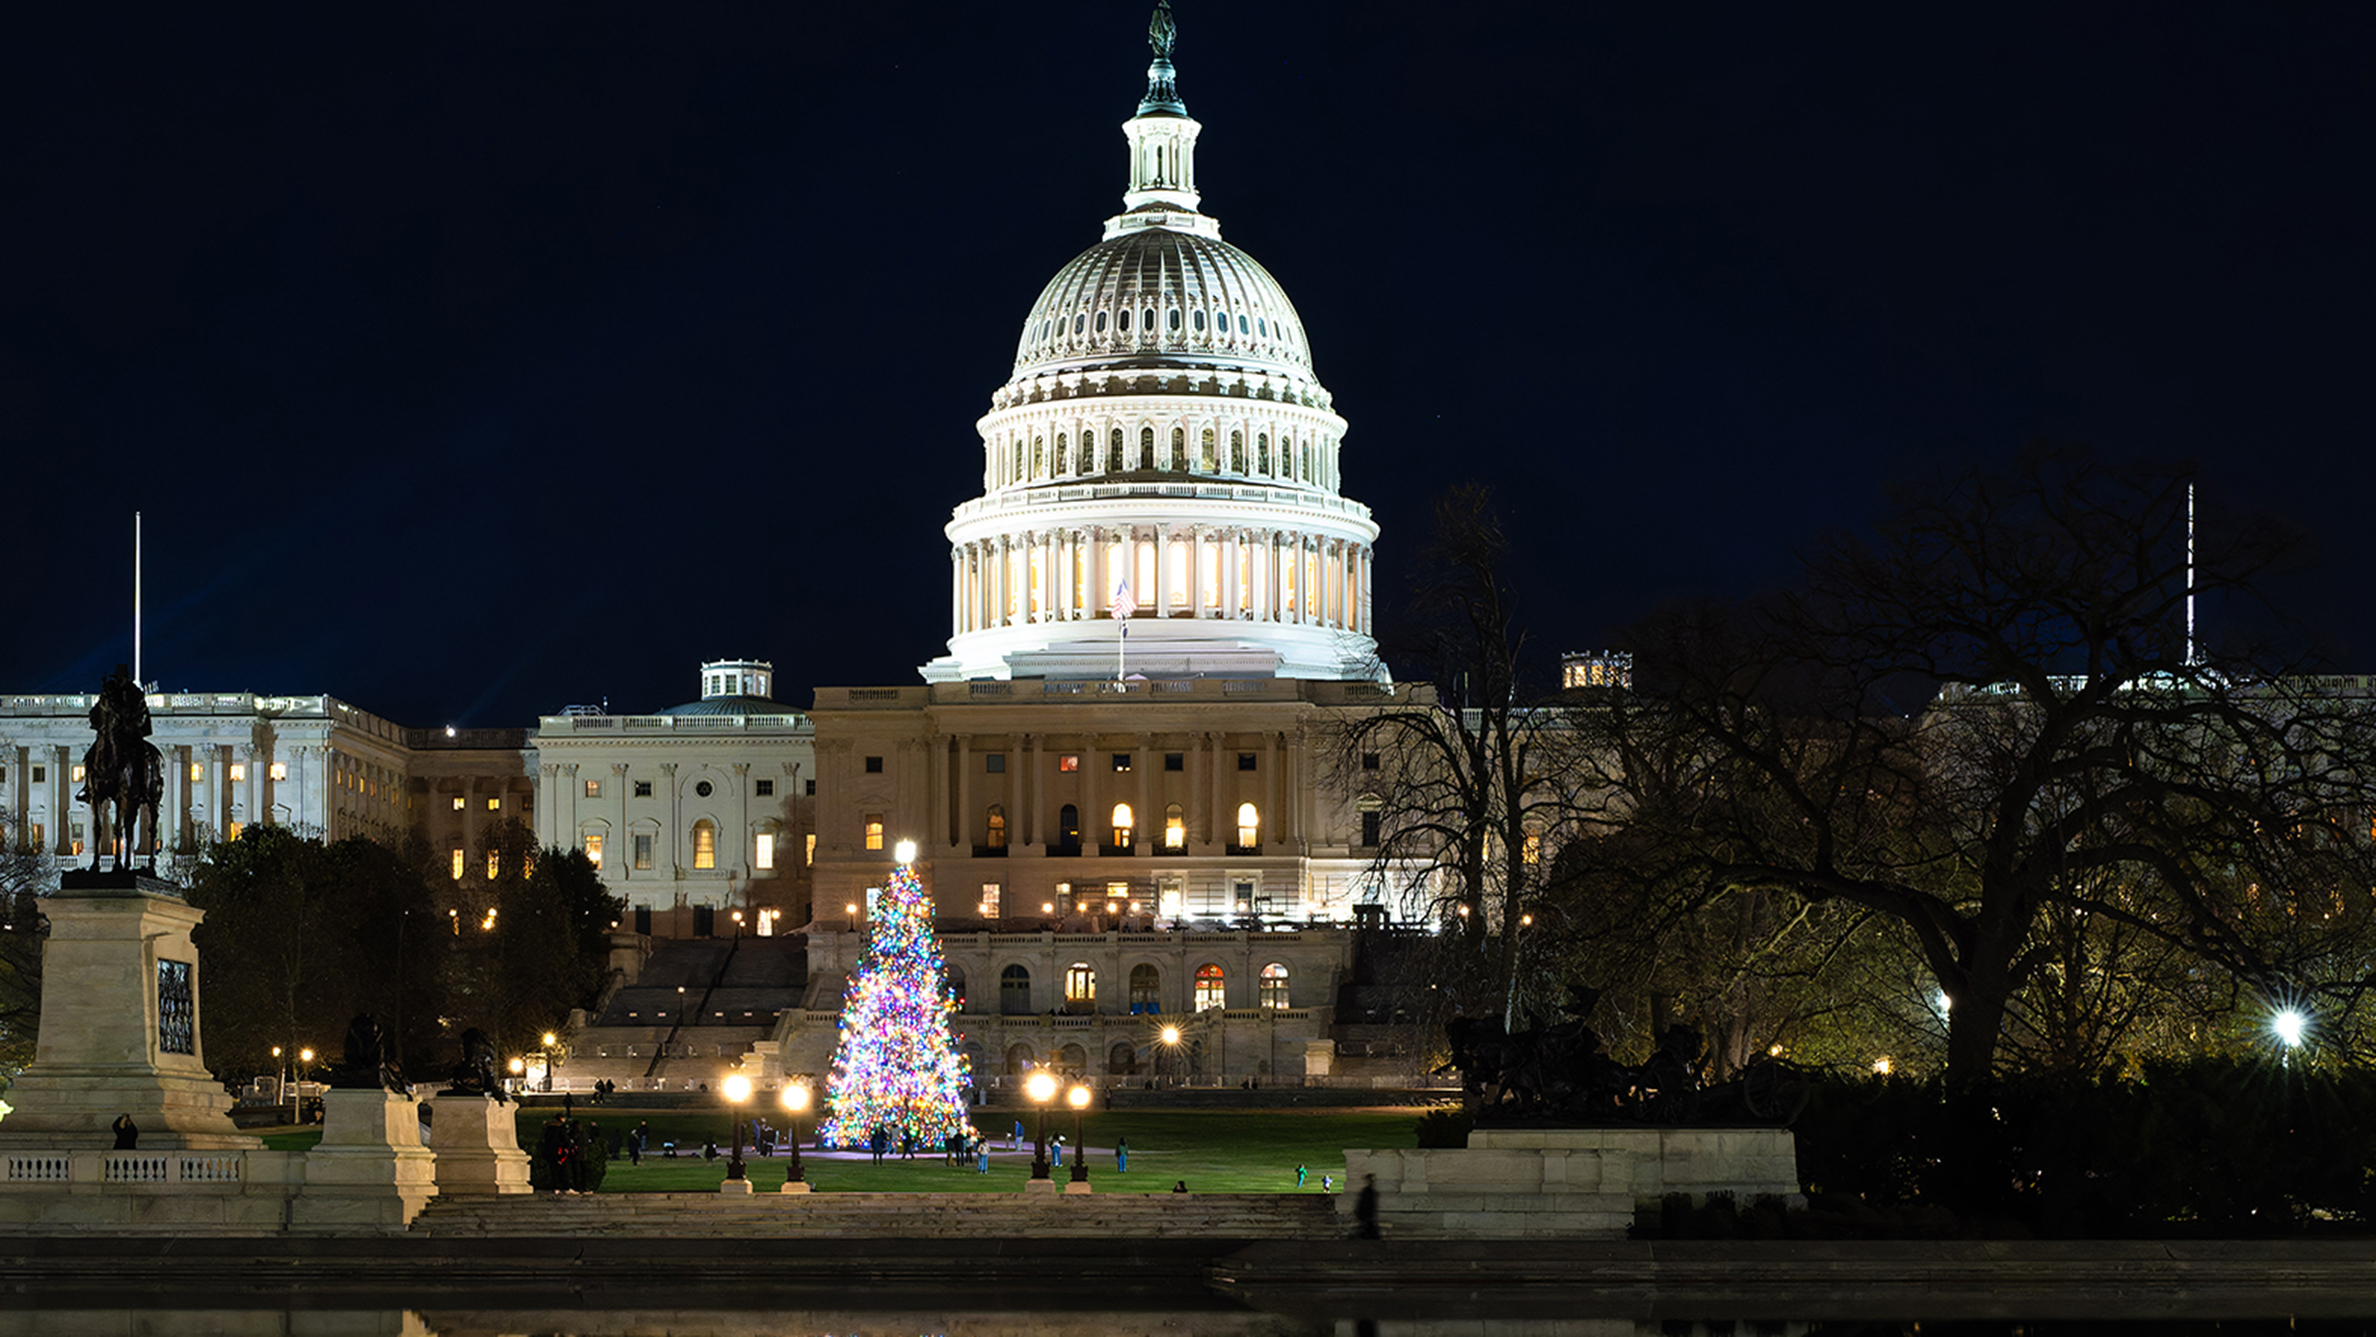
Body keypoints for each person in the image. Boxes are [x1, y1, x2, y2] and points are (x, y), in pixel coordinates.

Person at [1356, 1174, 1381, 1239]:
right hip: (1367, 1212)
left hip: (1366, 1211)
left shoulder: (1368, 1191)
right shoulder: (1369, 1191)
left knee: (1366, 1225)